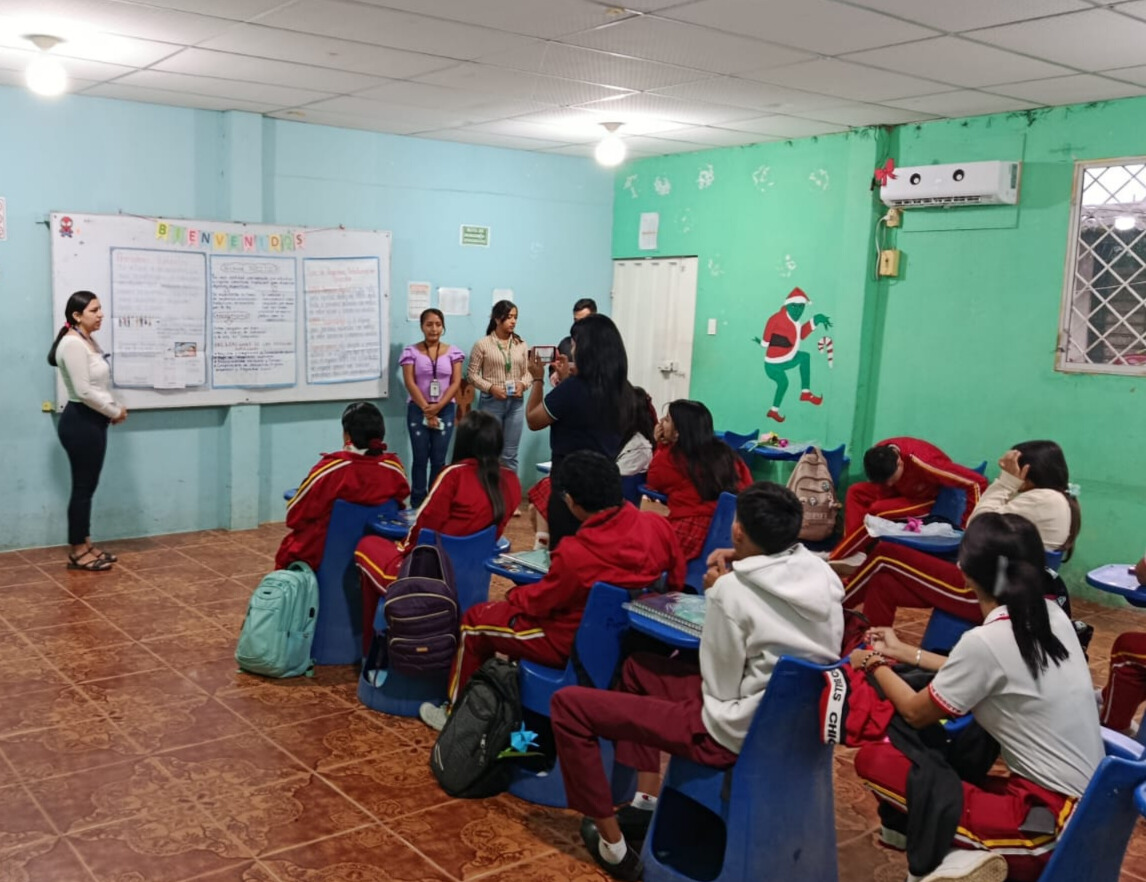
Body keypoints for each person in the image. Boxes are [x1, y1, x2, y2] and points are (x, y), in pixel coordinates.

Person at [548, 482, 845, 880]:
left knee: (569, 706)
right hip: (792, 724)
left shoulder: (731, 593)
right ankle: (646, 800)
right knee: (638, 668)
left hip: (727, 731)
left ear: (737, 530)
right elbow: (774, 573)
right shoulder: (820, 574)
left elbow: (719, 687)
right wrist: (738, 561)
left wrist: (718, 593)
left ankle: (613, 846)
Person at [850, 513, 1103, 882]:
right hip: (1088, 813)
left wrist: (872, 663)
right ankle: (957, 853)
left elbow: (916, 711)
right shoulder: (1051, 616)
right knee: (951, 774)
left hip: (1045, 830)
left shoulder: (986, 641)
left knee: (876, 760)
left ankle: (958, 864)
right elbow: (989, 672)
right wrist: (905, 652)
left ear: (964, 573)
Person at [419, 451, 686, 731]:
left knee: (474, 622)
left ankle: (456, 715)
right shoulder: (658, 526)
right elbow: (675, 585)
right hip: (628, 643)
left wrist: (514, 596)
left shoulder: (576, 553)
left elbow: (540, 604)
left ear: (571, 501)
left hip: (568, 642)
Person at [843, 441, 1081, 626]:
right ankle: (872, 648)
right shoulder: (1053, 500)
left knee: (886, 553)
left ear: (1027, 470)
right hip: (991, 585)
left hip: (983, 594)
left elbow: (979, 526)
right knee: (883, 582)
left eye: (1013, 468)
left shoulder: (1044, 500)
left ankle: (834, 606)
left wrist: (1006, 483)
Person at [354, 411, 522, 646]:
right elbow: (496, 532)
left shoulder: (453, 475)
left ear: (463, 441)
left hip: (427, 576)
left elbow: (424, 525)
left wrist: (402, 550)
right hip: (471, 575)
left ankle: (370, 646)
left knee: (367, 545)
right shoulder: (511, 480)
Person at [526, 313, 633, 550]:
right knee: (599, 550)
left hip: (571, 488)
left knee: (567, 552)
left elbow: (534, 419)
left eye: (575, 345)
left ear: (587, 349)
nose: (573, 351)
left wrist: (537, 380)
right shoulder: (622, 389)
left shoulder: (573, 389)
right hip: (606, 485)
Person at [275, 402, 409, 571]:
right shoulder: (394, 468)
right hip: (374, 560)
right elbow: (398, 505)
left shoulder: (330, 470)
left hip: (323, 555)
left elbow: (295, 514)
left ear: (347, 435)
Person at [48, 291, 127, 571]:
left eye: (100, 308)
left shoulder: (87, 340)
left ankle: (87, 543)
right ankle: (78, 551)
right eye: (94, 310)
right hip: (81, 421)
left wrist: (109, 408)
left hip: (92, 419)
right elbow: (83, 391)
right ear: (77, 315)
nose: (100, 314)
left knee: (88, 487)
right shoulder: (72, 344)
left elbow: (98, 386)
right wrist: (113, 411)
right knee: (82, 488)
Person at [831, 436, 988, 569]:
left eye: (891, 479)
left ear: (900, 462)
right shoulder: (880, 453)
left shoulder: (924, 460)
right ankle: (857, 554)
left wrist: (966, 529)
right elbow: (883, 487)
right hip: (899, 495)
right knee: (855, 492)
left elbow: (977, 483)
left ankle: (839, 555)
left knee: (877, 511)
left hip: (926, 500)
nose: (888, 484)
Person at [528, 384, 654, 549]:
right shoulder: (614, 433)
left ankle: (544, 546)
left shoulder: (639, 446)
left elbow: (610, 477)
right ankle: (542, 545)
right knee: (541, 498)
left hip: (606, 497)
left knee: (552, 490)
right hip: (595, 488)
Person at [645, 400, 753, 560]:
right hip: (730, 529)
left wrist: (660, 445)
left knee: (642, 537)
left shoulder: (673, 457)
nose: (661, 422)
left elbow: (654, 480)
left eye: (667, 419)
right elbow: (747, 484)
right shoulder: (726, 453)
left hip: (691, 529)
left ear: (678, 432)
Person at [400, 308, 464, 507]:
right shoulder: (411, 352)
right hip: (418, 409)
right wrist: (427, 408)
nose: (434, 329)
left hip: (445, 410)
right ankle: (417, 502)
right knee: (420, 458)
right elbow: (409, 382)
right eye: (429, 324)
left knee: (438, 459)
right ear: (422, 327)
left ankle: (436, 501)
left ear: (443, 327)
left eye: (438, 324)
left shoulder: (453, 352)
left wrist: (438, 407)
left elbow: (456, 382)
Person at [467, 300, 530, 472]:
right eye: (509, 317)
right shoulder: (482, 344)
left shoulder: (521, 344)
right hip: (491, 402)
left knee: (510, 455)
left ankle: (510, 489)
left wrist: (523, 384)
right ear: (497, 319)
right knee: (489, 453)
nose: (513, 321)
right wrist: (491, 388)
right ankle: (488, 489)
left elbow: (529, 372)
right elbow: (471, 375)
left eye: (515, 317)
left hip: (516, 403)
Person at [555, 297, 597, 381]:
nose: (579, 325)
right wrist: (555, 374)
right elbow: (554, 369)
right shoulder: (565, 344)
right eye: (576, 320)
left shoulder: (603, 347)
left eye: (583, 321)